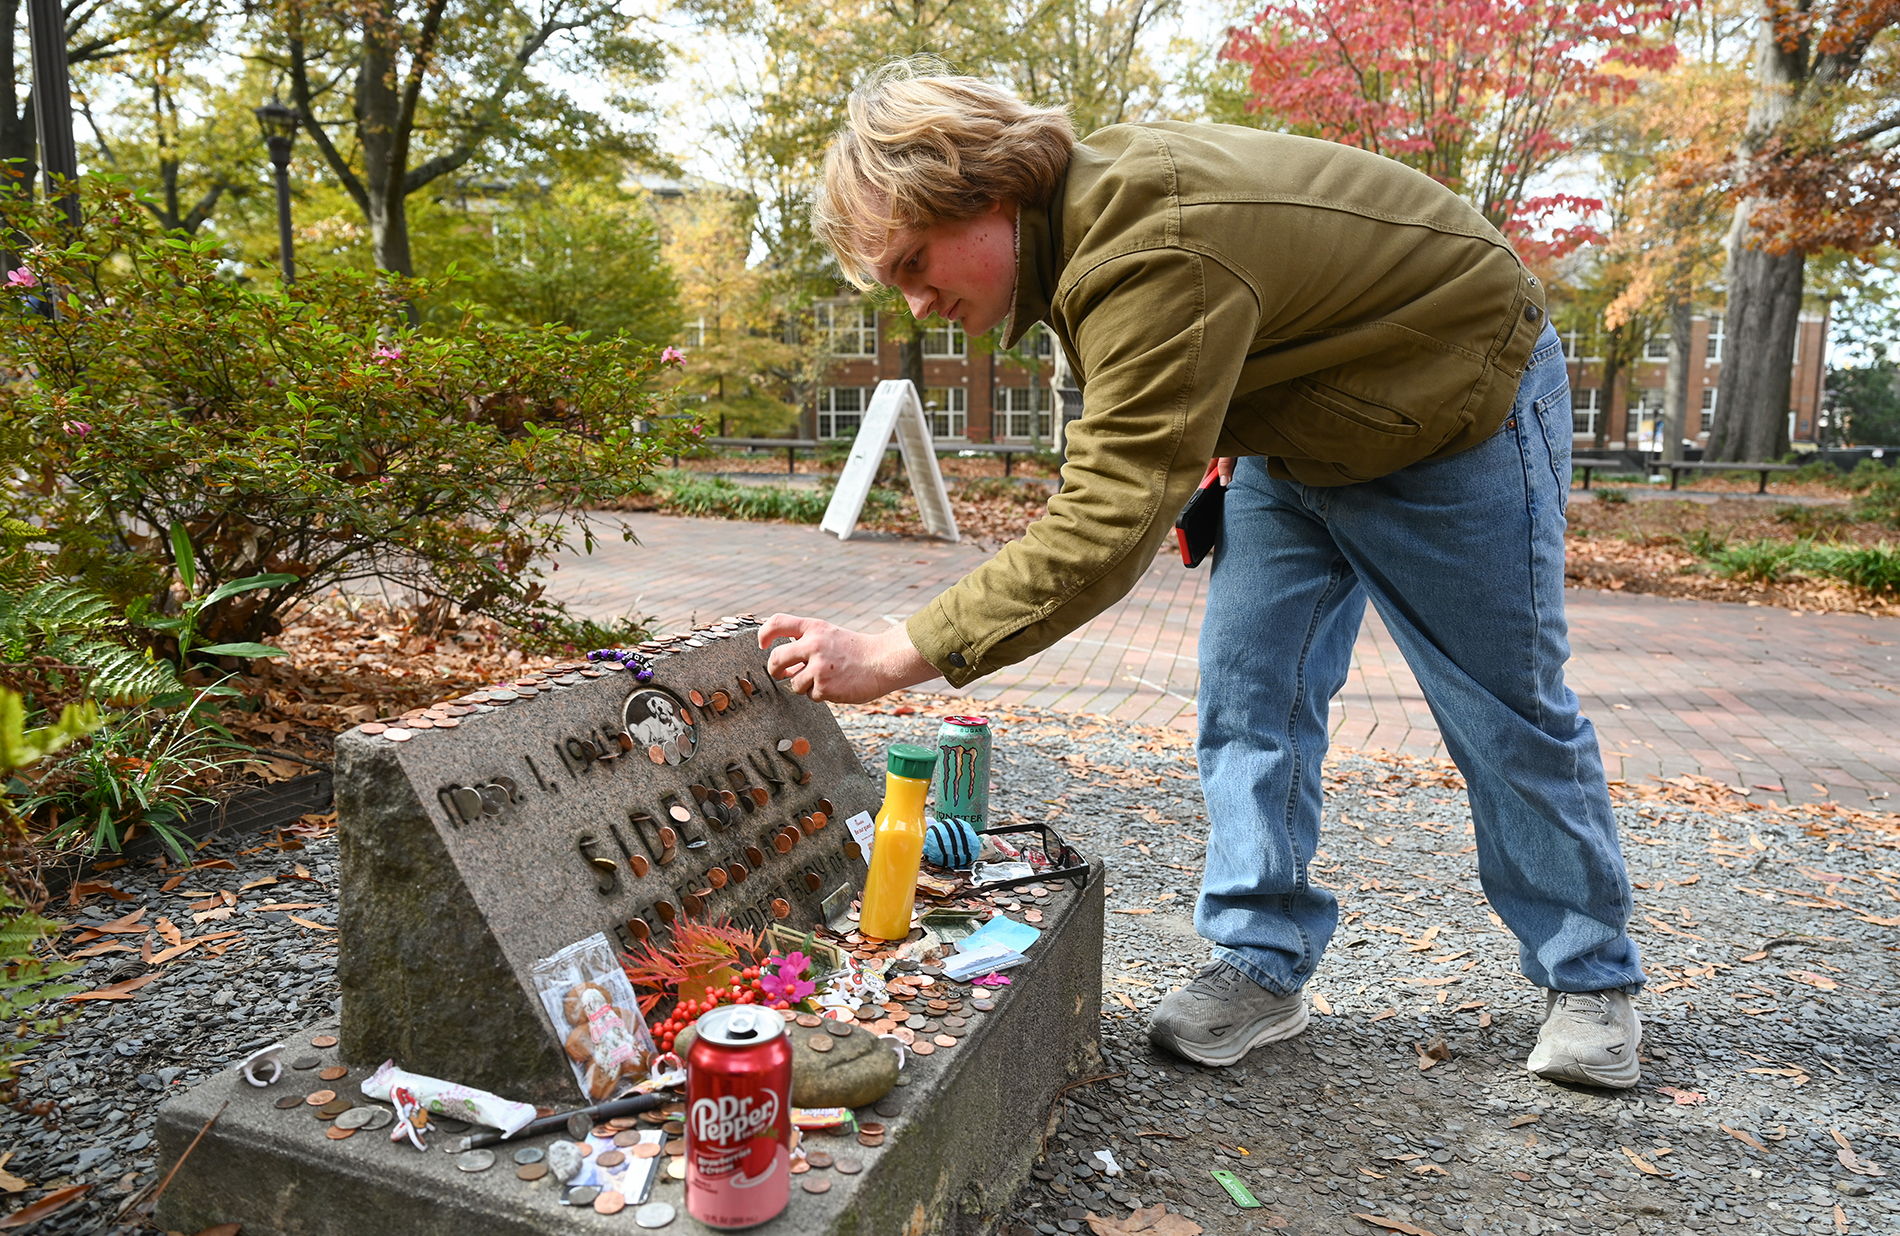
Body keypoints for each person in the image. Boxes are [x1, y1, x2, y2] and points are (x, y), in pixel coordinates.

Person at [760, 61, 1645, 1088]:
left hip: (1448, 409)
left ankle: (1589, 976)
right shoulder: (1069, 249)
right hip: (1288, 430)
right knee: (1249, 695)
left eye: (915, 263)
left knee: (1503, 708)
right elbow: (1113, 438)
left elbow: (1100, 528)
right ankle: (1260, 965)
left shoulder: (1148, 246)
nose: (916, 304)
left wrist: (897, 651)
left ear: (987, 191)